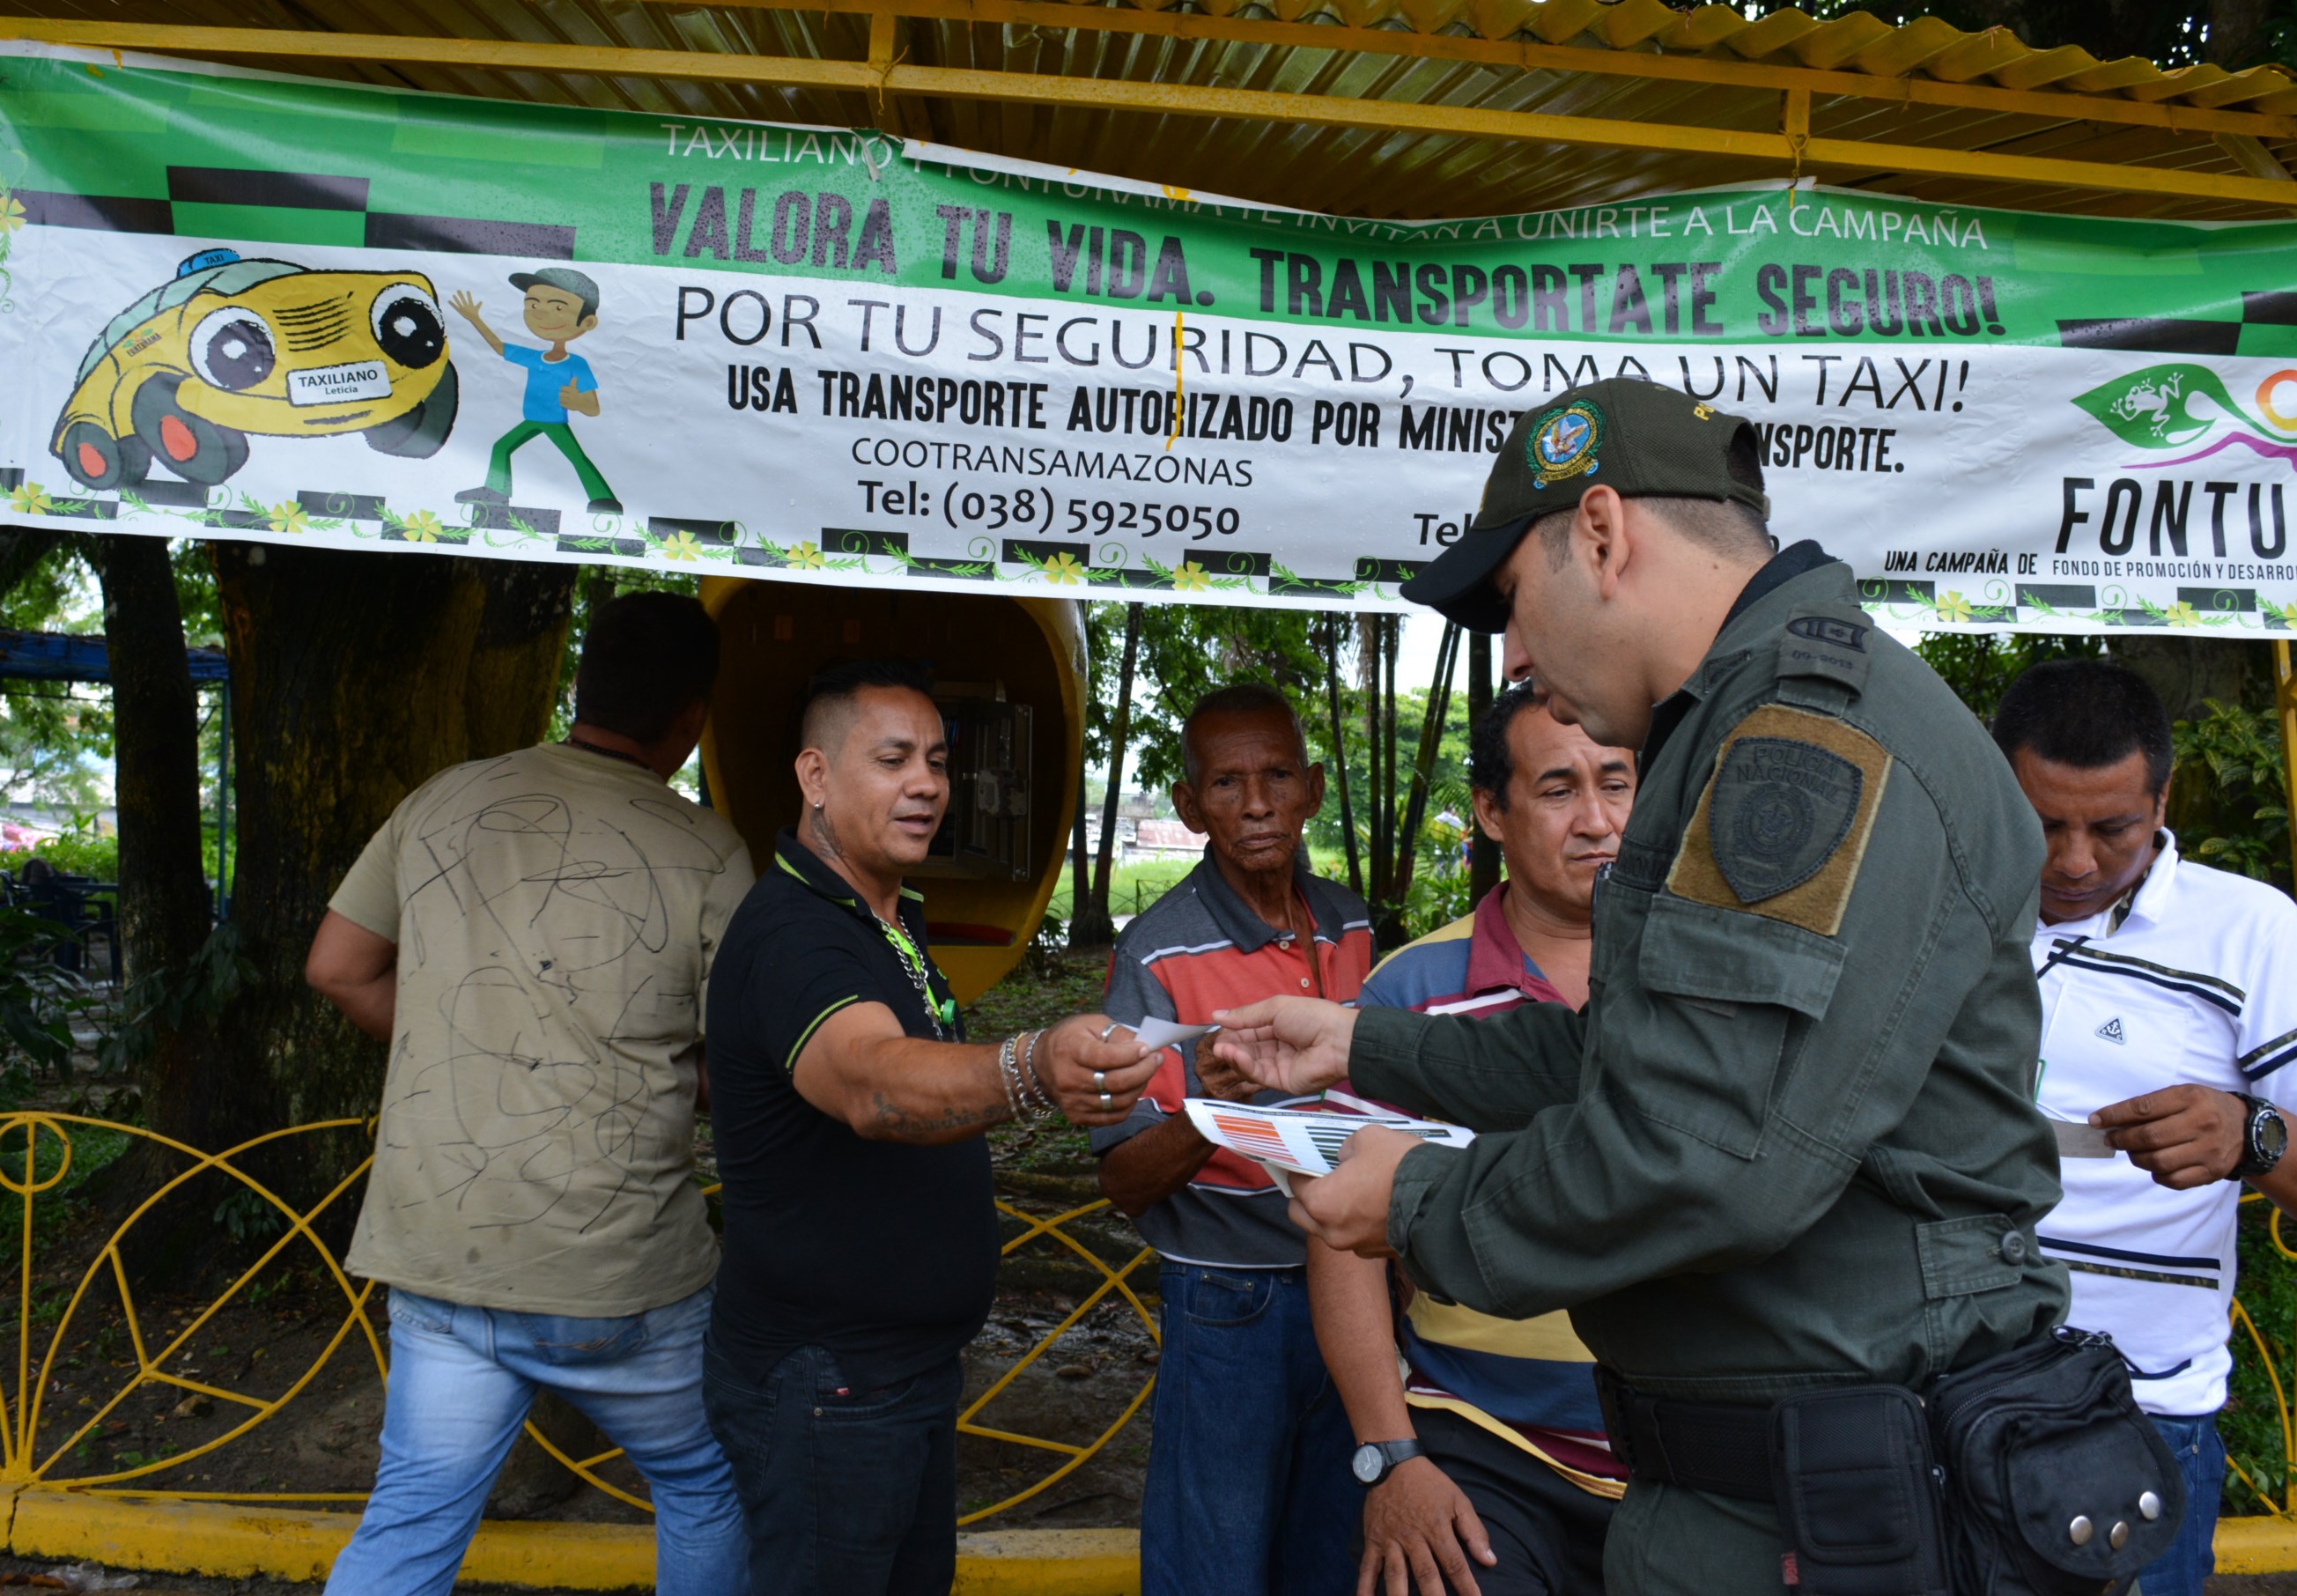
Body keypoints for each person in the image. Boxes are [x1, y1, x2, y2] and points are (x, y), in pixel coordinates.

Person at [1213, 379, 2070, 1595]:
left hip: (1836, 1502)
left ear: (1604, 533)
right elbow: (1632, 1059)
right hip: (1785, 1477)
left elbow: (1705, 1155)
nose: (1513, 652)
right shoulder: (1734, 729)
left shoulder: (1800, 747)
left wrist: (1418, 1205)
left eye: (1511, 601)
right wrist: (1364, 1047)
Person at [306, 591, 753, 1596]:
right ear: (692, 717)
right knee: (706, 1478)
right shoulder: (711, 849)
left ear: (581, 684)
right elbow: (739, 1067)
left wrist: (459, 1036)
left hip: (445, 1257)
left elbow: (337, 965)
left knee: (411, 1522)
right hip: (619, 1269)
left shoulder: (440, 799)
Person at [700, 658, 1163, 1596]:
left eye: (940, 761)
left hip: (898, 1368)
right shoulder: (798, 933)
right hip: (829, 1380)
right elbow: (873, 1083)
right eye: (894, 758)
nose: (927, 784)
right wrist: (1032, 1064)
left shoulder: (886, 917)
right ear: (815, 776)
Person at [1993, 657, 2297, 1596]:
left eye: (2113, 828)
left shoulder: (2248, 931)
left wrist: (2250, 1132)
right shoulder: (1939, 909)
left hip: (2134, 1416)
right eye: (2042, 822)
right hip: (1943, 1392)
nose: (2072, 859)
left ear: (2164, 795)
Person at [1311, 685, 1635, 1596]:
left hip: (1689, 1458)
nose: (1598, 820)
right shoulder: (1411, 994)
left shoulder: (1699, 991)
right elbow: (1339, 1238)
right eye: (1559, 788)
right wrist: (1392, 1455)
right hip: (1485, 1443)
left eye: (1617, 781)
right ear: (1491, 810)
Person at [1088, 683, 1370, 1596]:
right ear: (1187, 803)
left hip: (1362, 1286)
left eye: (1279, 775)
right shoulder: (1157, 952)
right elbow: (1125, 1181)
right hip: (1230, 1297)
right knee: (1214, 1566)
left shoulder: (1356, 923)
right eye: (1226, 782)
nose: (1257, 803)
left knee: (1333, 1552)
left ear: (1315, 787)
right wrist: (1208, 1103)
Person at [450, 266, 618, 514]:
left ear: (587, 322)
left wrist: (578, 403)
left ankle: (605, 501)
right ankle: (497, 493)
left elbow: (593, 408)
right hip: (532, 419)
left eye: (559, 308)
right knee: (502, 447)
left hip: (554, 422)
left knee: (577, 458)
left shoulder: (576, 364)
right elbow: (499, 347)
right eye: (533, 305)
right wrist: (475, 319)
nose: (540, 314)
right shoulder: (537, 357)